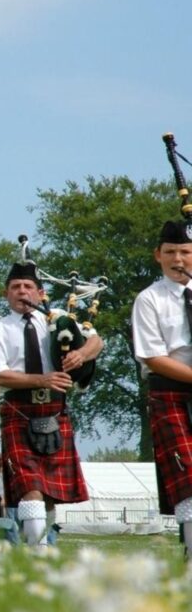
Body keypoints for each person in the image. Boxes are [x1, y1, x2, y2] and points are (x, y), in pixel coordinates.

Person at [0, 261, 100, 547]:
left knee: (48, 493)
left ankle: (41, 547)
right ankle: (37, 550)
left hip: (56, 411)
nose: (22, 292)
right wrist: (43, 379)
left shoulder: (57, 318)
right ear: (5, 293)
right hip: (19, 410)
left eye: (28, 287)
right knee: (30, 487)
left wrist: (81, 354)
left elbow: (97, 341)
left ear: (40, 291)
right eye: (15, 287)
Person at [131, 220, 192, 560]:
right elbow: (153, 357)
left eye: (185, 251)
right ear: (158, 256)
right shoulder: (149, 299)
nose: (178, 259)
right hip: (171, 394)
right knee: (189, 479)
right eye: (170, 252)